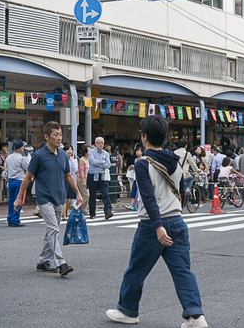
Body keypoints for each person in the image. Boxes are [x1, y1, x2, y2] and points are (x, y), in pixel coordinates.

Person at [106, 115, 207, 327]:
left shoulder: (142, 164)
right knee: (182, 271)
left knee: (136, 270)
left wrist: (158, 226)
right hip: (177, 222)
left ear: (144, 137)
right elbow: (181, 194)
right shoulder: (176, 162)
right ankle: (196, 316)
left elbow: (148, 197)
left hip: (152, 226)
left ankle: (128, 311)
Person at [14, 121, 81, 276]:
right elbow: (27, 178)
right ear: (46, 137)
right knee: (53, 229)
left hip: (59, 198)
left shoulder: (63, 155)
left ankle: (43, 261)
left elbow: (68, 176)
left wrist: (77, 192)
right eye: (56, 134)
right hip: (44, 198)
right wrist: (18, 199)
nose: (59, 138)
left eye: (60, 134)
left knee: (52, 232)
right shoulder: (38, 156)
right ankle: (61, 263)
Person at [5, 140, 31, 226]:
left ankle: (10, 218)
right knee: (19, 200)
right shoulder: (22, 158)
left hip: (11, 180)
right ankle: (15, 219)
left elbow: (6, 171)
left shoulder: (8, 157)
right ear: (21, 149)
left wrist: (7, 180)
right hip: (20, 181)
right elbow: (28, 169)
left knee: (11, 201)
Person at [87, 137, 113, 220]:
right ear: (95, 144)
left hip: (102, 175)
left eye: (102, 142)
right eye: (99, 142)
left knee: (105, 194)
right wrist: (102, 162)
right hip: (93, 174)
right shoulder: (91, 151)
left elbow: (108, 165)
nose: (100, 144)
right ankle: (92, 213)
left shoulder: (106, 153)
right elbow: (92, 162)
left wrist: (99, 162)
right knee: (92, 195)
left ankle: (108, 212)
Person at [61, 144, 78, 220]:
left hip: (71, 179)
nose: (69, 151)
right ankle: (63, 214)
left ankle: (65, 211)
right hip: (64, 179)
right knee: (64, 198)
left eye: (71, 149)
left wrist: (72, 160)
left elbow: (75, 170)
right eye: (67, 149)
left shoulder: (72, 160)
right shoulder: (62, 159)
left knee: (69, 199)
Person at [77, 144, 90, 214]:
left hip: (87, 179)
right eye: (89, 151)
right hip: (82, 180)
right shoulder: (81, 160)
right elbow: (81, 171)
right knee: (86, 195)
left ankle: (84, 210)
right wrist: (83, 181)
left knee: (87, 195)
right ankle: (77, 206)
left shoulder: (88, 159)